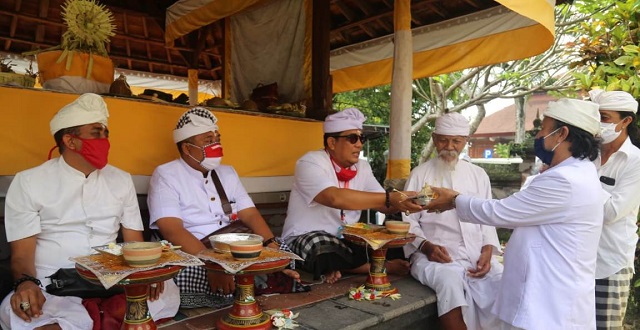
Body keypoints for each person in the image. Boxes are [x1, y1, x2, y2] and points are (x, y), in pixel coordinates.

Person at [0, 93, 179, 330]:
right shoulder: (29, 182)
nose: (104, 140)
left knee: (167, 291)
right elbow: (22, 255)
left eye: (106, 133)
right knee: (17, 310)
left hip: (115, 281)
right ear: (70, 141)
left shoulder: (121, 180)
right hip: (52, 287)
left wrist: (149, 272)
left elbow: (134, 243)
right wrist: (26, 285)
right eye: (96, 133)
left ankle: (100, 317)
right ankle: (106, 318)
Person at [427, 98, 604, 329]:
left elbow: (499, 212)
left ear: (561, 134)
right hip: (548, 296)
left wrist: (452, 199)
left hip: (550, 305)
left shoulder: (564, 180)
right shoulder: (576, 172)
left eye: (543, 129)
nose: (538, 135)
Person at [147, 107, 300, 309]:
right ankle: (261, 282)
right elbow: (172, 229)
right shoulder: (166, 174)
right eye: (208, 141)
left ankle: (257, 279)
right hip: (196, 251)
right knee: (182, 272)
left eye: (217, 139)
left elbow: (251, 215)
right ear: (187, 148)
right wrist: (215, 266)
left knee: (283, 249)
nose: (216, 145)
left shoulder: (227, 173)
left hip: (234, 245)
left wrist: (272, 248)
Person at [281, 108, 423, 284]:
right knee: (321, 248)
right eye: (352, 138)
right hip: (307, 237)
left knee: (398, 243)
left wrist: (412, 201)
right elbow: (335, 198)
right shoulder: (310, 162)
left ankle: (340, 267)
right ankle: (380, 266)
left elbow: (385, 205)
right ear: (332, 142)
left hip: (347, 240)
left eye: (361, 138)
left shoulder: (362, 167)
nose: (359, 144)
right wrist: (389, 198)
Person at [402, 112, 503, 330]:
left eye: (456, 141)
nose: (449, 146)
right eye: (443, 140)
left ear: (465, 141)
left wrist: (487, 249)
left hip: (475, 255)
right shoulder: (419, 175)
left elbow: (487, 217)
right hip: (435, 258)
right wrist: (425, 246)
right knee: (449, 283)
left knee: (503, 280)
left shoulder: (479, 175)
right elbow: (408, 220)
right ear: (434, 138)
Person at [589, 89, 640, 330]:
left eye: (605, 117)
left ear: (626, 121)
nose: (599, 124)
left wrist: (580, 179)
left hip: (610, 263)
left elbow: (610, 212)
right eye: (596, 116)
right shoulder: (586, 155)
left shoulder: (636, 162)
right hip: (576, 259)